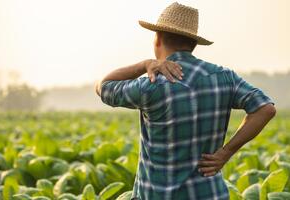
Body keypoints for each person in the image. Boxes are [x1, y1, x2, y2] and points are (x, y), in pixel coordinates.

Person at [95, 2, 276, 200]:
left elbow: (103, 86)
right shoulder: (224, 77)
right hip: (210, 194)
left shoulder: (152, 84)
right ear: (193, 44)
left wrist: (144, 64)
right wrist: (226, 153)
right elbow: (265, 109)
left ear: (158, 39)